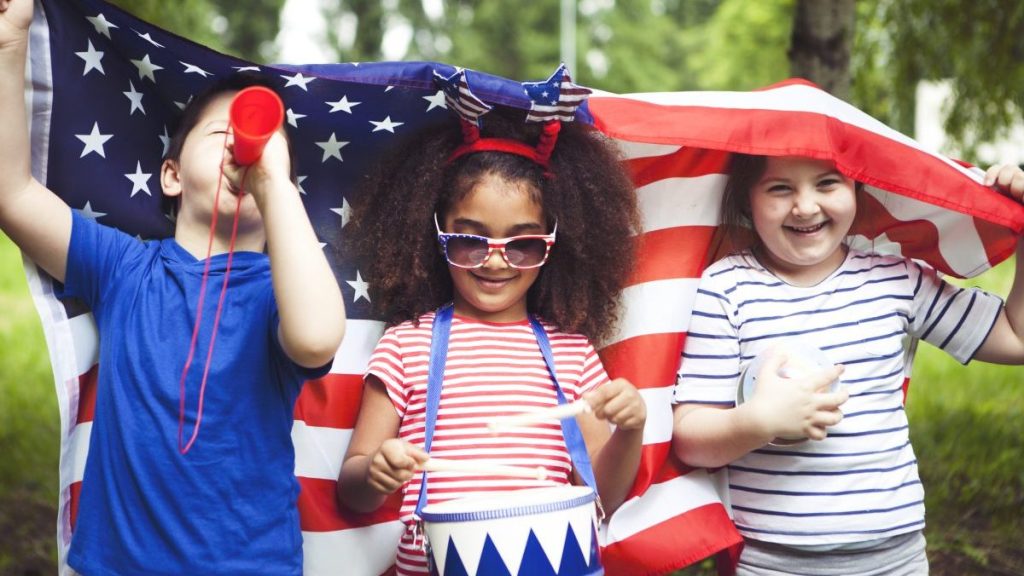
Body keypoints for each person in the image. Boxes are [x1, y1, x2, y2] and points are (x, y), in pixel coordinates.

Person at [0, 1, 346, 573]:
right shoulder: (124, 270)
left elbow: (315, 339)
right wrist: (11, 44)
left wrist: (272, 181)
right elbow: (13, 195)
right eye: (222, 134)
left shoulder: (279, 295)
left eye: (263, 141)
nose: (246, 147)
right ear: (172, 174)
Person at [672, 153, 1024, 575]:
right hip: (772, 562)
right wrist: (759, 421)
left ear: (858, 188)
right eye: (779, 188)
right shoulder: (724, 289)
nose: (805, 206)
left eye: (827, 183)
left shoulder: (898, 279)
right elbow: (690, 438)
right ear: (746, 199)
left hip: (897, 558)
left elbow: (1015, 339)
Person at [335, 105, 646, 575]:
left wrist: (632, 430)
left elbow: (604, 495)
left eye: (522, 245)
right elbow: (352, 491)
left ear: (553, 245)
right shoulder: (406, 345)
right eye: (470, 241)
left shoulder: (573, 354)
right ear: (437, 235)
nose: (495, 263)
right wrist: (377, 468)